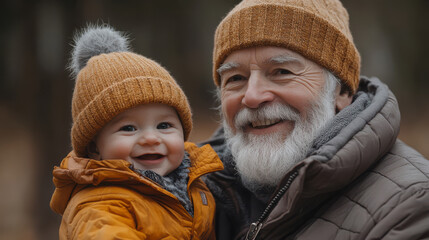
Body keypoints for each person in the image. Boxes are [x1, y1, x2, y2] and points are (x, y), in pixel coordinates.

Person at [203, 0, 429, 239]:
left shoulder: (410, 206)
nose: (252, 97)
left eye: (282, 72)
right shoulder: (191, 196)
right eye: (236, 78)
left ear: (341, 91)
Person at [49, 25, 223, 239]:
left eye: (164, 126)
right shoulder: (99, 207)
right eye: (128, 128)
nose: (151, 138)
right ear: (94, 147)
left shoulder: (194, 183)